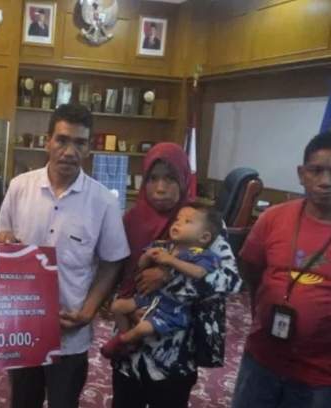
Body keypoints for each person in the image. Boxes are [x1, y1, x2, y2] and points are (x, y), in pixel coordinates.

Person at [0, 103, 130, 408]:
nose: (69, 151)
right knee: (23, 402)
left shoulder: (104, 202)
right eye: (62, 140)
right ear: (48, 141)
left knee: (64, 402)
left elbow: (112, 261)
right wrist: (5, 241)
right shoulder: (19, 187)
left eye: (79, 143)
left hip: (70, 332)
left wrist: (89, 311)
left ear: (89, 149)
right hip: (23, 327)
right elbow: (1, 238)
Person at [111, 143, 241, 408]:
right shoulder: (130, 220)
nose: (160, 188)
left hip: (176, 350)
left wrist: (170, 276)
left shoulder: (202, 221)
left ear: (184, 180)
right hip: (130, 348)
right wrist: (129, 308)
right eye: (153, 178)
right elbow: (115, 274)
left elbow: (229, 281)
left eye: (170, 178)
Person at [232, 131, 331, 408]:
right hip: (262, 358)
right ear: (301, 174)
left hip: (320, 374)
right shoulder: (274, 218)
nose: (326, 181)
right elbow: (251, 269)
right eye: (316, 170)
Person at [101, 204, 221, 358]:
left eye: (187, 221)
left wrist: (171, 261)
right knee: (117, 306)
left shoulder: (203, 255)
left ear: (204, 237)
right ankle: (126, 338)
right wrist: (147, 256)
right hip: (150, 297)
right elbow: (140, 266)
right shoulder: (163, 245)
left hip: (171, 307)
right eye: (177, 219)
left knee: (143, 328)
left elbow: (199, 272)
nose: (178, 223)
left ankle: (123, 341)